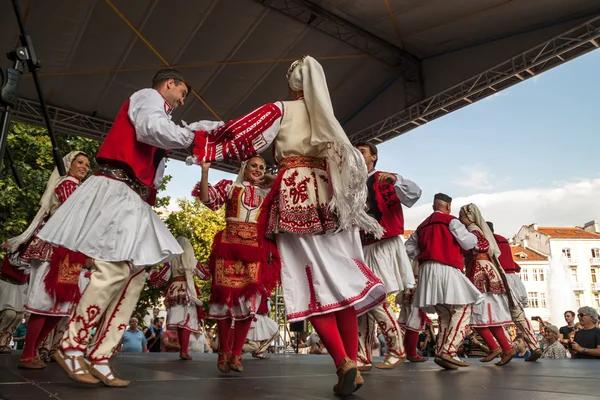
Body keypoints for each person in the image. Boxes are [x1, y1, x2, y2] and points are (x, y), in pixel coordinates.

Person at [189, 56, 386, 396]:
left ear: (293, 83)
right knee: (343, 285)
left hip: (296, 194)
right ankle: (353, 362)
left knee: (310, 284)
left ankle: (344, 362)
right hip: (329, 197)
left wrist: (203, 140)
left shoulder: (281, 109)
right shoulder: (328, 117)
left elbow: (243, 136)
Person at [37, 69, 216, 387]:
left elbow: (155, 165)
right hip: (117, 188)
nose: (182, 100)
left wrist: (199, 149)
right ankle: (72, 345)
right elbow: (151, 129)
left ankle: (100, 354)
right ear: (169, 84)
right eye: (182, 92)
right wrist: (195, 137)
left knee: (135, 272)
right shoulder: (148, 98)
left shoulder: (158, 112)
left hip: (133, 195)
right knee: (115, 269)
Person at [3, 151, 90, 369]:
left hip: (69, 250)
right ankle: (28, 353)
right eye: (80, 162)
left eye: (87, 165)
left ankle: (32, 351)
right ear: (69, 164)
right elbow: (78, 213)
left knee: (59, 308)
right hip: (53, 249)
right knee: (44, 304)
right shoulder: (67, 185)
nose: (84, 167)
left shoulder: (79, 188)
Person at [194, 157, 281, 374]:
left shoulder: (266, 193)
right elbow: (207, 199)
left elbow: (286, 196)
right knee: (225, 301)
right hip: (229, 248)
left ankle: (237, 353)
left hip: (254, 250)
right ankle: (224, 351)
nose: (258, 170)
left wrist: (274, 180)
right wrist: (205, 172)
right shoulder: (229, 186)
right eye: (254, 165)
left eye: (262, 167)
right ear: (244, 167)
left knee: (248, 304)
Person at [354, 142, 421, 370]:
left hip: (382, 244)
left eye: (361, 152)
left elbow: (414, 193)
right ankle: (362, 356)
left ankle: (396, 348)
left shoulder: (384, 178)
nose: (357, 155)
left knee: (372, 297)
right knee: (361, 301)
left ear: (374, 156)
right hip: (362, 246)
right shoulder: (352, 184)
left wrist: (395, 179)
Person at [405, 193, 483, 370]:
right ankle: (448, 350)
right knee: (463, 308)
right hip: (446, 267)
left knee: (445, 313)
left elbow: (408, 247)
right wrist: (473, 231)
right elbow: (469, 243)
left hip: (427, 270)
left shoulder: (422, 225)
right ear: (448, 206)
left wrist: (425, 256)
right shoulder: (451, 221)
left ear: (434, 206)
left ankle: (441, 351)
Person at [460, 204, 515, 367]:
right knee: (486, 317)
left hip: (480, 270)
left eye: (461, 215)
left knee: (477, 314)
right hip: (482, 269)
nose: (459, 219)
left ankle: (498, 347)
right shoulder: (475, 229)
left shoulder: (472, 229)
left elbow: (482, 245)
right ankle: (500, 347)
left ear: (468, 217)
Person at [487, 222, 542, 361]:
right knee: (519, 316)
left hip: (499, 279)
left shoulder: (487, 242)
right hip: (512, 278)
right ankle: (535, 346)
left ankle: (508, 349)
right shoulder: (503, 239)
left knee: (498, 317)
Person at [149, 237, 206, 361]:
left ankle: (183, 350)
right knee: (186, 322)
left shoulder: (171, 259)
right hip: (188, 291)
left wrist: (153, 273)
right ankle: (184, 351)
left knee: (181, 323)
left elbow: (162, 278)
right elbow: (205, 275)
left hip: (174, 290)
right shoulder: (193, 260)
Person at [397, 260, 431, 362]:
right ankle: (411, 353)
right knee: (414, 322)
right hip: (416, 288)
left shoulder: (413, 250)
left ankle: (405, 352)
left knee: (411, 323)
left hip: (410, 287)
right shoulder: (420, 254)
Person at [0, 255, 29, 354]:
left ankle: (5, 341)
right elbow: (14, 262)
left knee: (19, 316)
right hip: (7, 283)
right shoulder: (15, 248)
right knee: (9, 314)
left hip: (21, 286)